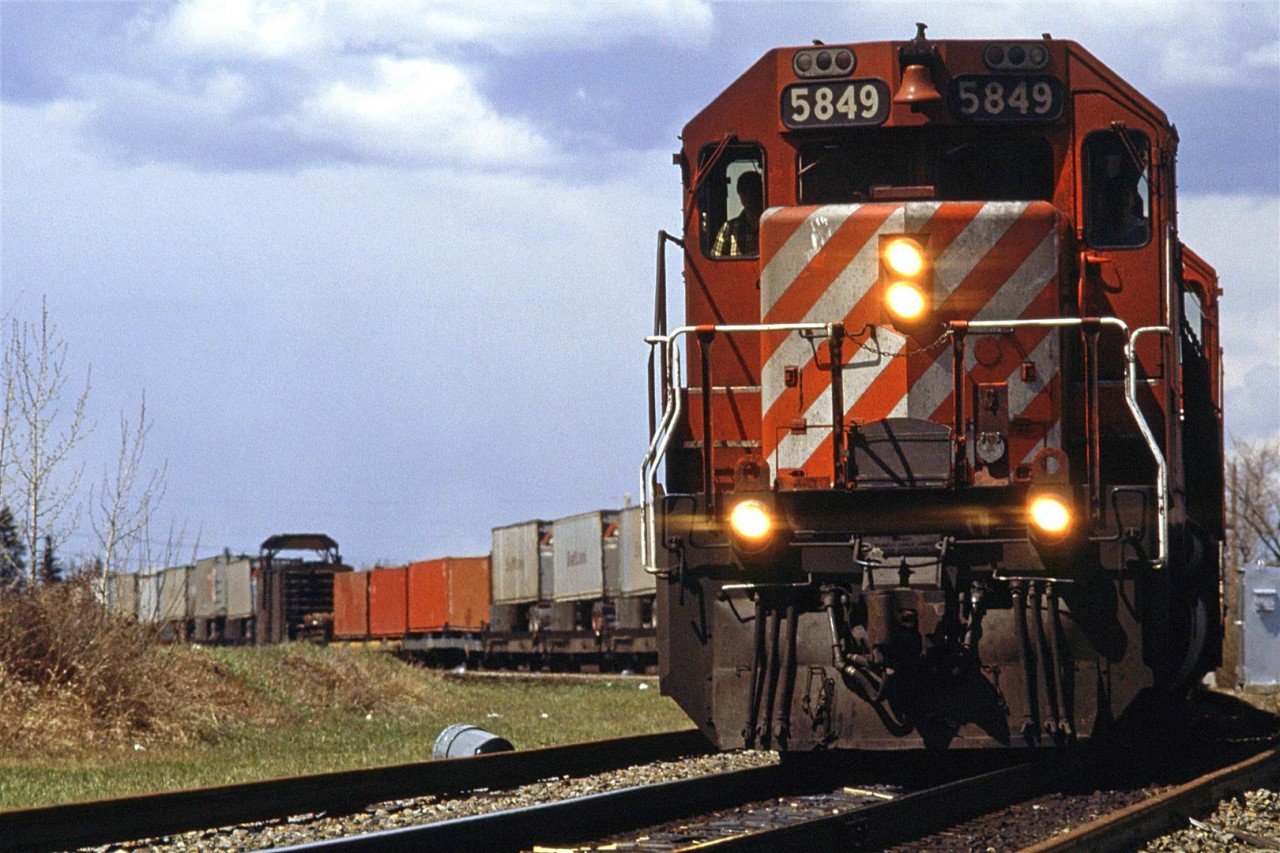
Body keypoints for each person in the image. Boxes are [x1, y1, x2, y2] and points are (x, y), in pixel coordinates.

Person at [712, 171, 764, 257]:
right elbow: (715, 265)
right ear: (739, 194)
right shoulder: (728, 230)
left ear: (761, 191)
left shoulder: (773, 228)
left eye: (753, 189)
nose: (749, 195)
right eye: (744, 191)